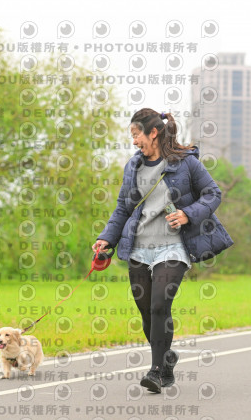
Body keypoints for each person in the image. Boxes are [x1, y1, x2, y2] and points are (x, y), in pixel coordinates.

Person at [92, 108, 234, 393]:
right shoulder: (133, 166)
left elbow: (213, 193)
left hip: (173, 247)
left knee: (159, 306)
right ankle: (167, 358)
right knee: (147, 312)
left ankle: (156, 372)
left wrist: (188, 214)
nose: (134, 141)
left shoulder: (186, 163)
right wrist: (107, 238)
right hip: (139, 247)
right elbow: (123, 208)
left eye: (136, 135)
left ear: (153, 133)